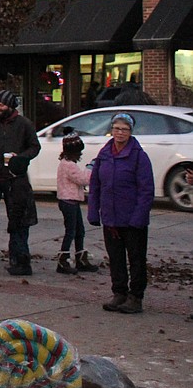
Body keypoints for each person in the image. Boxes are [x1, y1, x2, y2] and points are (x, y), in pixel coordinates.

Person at [89, 113, 154, 314]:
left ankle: (136, 297)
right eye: (116, 129)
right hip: (110, 217)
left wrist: (138, 217)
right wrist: (94, 211)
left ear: (130, 132)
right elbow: (95, 184)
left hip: (133, 218)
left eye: (124, 129)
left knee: (136, 258)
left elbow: (146, 189)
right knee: (115, 257)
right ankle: (119, 293)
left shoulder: (139, 156)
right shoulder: (104, 154)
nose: (119, 133)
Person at [0, 90, 41, 275]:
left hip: (14, 178)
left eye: (1, 106)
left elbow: (35, 147)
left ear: (10, 106)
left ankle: (18, 258)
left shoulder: (24, 124)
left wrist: (20, 158)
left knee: (17, 219)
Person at [56, 134, 98, 275]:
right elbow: (83, 180)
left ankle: (80, 257)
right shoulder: (69, 165)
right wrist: (90, 167)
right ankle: (63, 259)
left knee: (79, 231)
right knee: (71, 231)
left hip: (70, 201)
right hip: (69, 201)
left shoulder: (64, 163)